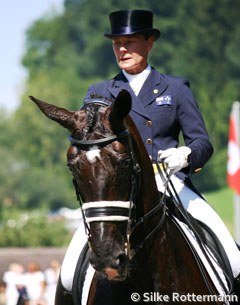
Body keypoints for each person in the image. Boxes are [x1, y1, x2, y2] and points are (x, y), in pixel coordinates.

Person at [60, 9, 240, 294]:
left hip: (170, 182)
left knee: (233, 256)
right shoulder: (99, 93)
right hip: (117, 189)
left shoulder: (176, 88)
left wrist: (186, 155)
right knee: (70, 273)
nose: (122, 48)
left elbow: (202, 143)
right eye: (117, 42)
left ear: (149, 43)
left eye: (130, 42)